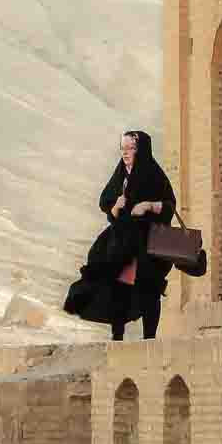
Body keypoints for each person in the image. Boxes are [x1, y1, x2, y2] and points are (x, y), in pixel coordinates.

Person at [64, 128, 179, 337]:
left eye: (131, 148)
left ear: (141, 150)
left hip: (148, 242)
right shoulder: (121, 174)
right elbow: (106, 202)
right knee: (117, 288)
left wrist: (149, 206)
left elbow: (170, 205)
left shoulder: (153, 175)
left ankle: (149, 338)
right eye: (123, 148)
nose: (125, 153)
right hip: (122, 241)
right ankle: (117, 337)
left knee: (149, 289)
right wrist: (116, 206)